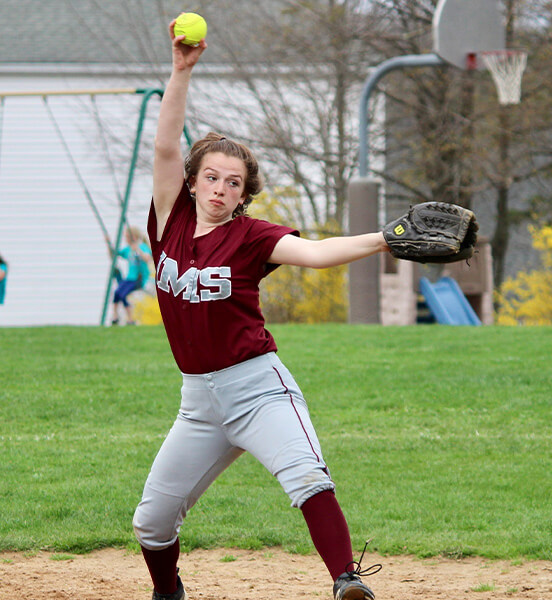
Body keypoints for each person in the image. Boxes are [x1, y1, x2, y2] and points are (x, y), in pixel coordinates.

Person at [131, 17, 389, 600]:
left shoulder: (250, 237)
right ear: (192, 182)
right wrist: (180, 70)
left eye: (234, 182)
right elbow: (166, 143)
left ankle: (347, 581)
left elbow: (318, 254)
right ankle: (168, 593)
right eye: (212, 177)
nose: (221, 188)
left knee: (306, 477)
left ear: (245, 194)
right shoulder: (168, 220)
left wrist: (383, 238)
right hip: (198, 402)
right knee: (151, 520)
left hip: (257, 388)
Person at [110, 226, 152, 325]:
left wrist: (138, 250)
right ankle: (116, 316)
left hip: (139, 279)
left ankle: (130, 318)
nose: (126, 239)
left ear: (134, 237)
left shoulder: (142, 247)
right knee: (117, 293)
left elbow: (148, 259)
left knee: (123, 294)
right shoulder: (128, 249)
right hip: (129, 278)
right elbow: (114, 254)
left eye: (127, 237)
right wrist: (108, 244)